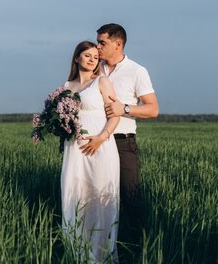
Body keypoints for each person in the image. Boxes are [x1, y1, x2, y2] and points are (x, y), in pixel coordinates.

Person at [81, 23, 159, 260]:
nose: (98, 47)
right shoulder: (96, 68)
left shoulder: (137, 71)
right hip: (97, 143)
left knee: (130, 197)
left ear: (118, 43)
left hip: (123, 143)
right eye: (97, 42)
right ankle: (97, 247)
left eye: (102, 42)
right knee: (96, 197)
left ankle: (141, 249)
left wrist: (123, 107)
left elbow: (153, 109)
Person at [61, 41, 122, 264]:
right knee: (77, 195)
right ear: (76, 58)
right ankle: (78, 253)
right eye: (87, 55)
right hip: (75, 149)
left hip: (101, 146)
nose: (92, 59)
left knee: (100, 198)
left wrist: (101, 138)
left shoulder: (102, 82)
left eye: (95, 57)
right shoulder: (67, 86)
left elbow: (115, 115)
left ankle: (102, 255)